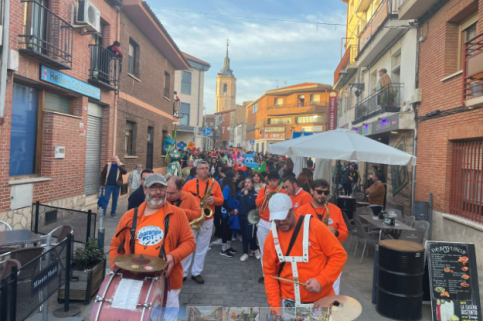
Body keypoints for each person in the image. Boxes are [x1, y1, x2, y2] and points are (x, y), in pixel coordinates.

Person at [109, 174, 195, 307]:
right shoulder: (129, 216)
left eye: (161, 188)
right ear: (145, 190)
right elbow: (115, 245)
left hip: (167, 280)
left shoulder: (178, 214)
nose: (158, 192)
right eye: (153, 188)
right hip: (134, 279)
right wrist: (116, 269)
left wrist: (174, 255)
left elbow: (189, 242)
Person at [263, 193, 347, 308]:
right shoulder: (271, 239)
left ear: (292, 210)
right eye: (277, 220)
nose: (281, 222)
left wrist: (321, 280)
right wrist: (274, 306)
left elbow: (339, 255)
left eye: (285, 217)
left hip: (322, 301)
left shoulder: (315, 227)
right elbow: (270, 274)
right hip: (289, 303)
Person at [296, 179, 349, 294]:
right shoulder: (301, 211)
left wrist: (336, 233)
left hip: (332, 259)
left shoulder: (335, 210)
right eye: (319, 192)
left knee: (332, 294)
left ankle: (327, 312)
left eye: (326, 193)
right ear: (311, 191)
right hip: (310, 260)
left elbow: (345, 234)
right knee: (310, 292)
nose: (323, 195)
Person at [182, 161, 224, 284]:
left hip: (207, 219)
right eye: (202, 168)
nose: (205, 170)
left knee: (202, 247)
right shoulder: (189, 184)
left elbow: (221, 200)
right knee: (188, 247)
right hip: (192, 219)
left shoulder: (215, 184)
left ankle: (196, 272)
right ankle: (183, 273)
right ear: (197, 171)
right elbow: (182, 199)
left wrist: (214, 199)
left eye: (207, 168)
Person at [255, 171, 285, 283]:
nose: (272, 183)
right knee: (263, 249)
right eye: (270, 181)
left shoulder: (282, 191)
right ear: (268, 181)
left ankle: (276, 273)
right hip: (263, 222)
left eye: (274, 181)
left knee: (277, 249)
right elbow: (257, 203)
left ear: (278, 181)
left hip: (276, 223)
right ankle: (265, 273)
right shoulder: (263, 190)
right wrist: (265, 197)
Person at [237, 177, 259, 262]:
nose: (247, 184)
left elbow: (251, 205)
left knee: (250, 236)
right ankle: (245, 253)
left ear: (252, 184)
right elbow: (237, 201)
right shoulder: (242, 192)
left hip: (250, 217)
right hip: (242, 216)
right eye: (245, 182)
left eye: (249, 182)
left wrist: (246, 196)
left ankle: (255, 249)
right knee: (244, 236)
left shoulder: (254, 194)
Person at [220, 171, 240, 257]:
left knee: (229, 230)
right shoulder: (227, 187)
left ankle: (228, 247)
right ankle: (223, 249)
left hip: (230, 211)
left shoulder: (231, 186)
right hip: (226, 212)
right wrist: (230, 210)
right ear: (231, 178)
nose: (236, 178)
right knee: (226, 230)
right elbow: (223, 201)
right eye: (234, 177)